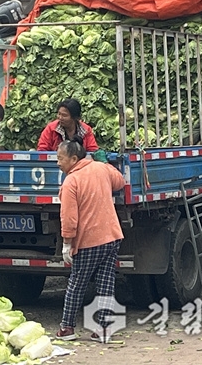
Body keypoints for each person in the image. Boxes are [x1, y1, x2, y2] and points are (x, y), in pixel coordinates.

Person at [55, 136, 125, 343]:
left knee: (77, 283)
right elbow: (119, 181)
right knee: (106, 283)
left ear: (74, 159)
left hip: (89, 240)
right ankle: (104, 329)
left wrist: (67, 243)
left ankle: (67, 328)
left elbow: (69, 218)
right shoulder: (100, 169)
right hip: (111, 235)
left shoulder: (71, 181)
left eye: (60, 159)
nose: (57, 163)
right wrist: (105, 163)